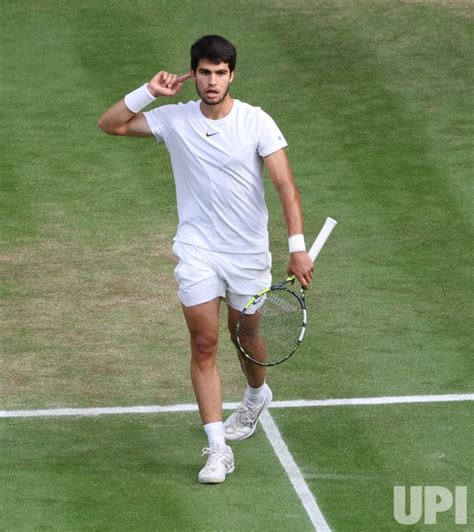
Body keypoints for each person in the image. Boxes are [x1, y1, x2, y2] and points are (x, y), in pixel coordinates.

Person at [98, 35, 314, 484]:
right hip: (197, 251)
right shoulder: (174, 120)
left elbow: (285, 187)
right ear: (192, 74)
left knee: (246, 335)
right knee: (204, 344)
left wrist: (297, 247)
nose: (212, 81)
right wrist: (148, 92)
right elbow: (111, 124)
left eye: (220, 73)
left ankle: (256, 395)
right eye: (204, 72)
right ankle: (217, 450)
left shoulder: (256, 122)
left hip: (248, 256)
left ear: (231, 75)